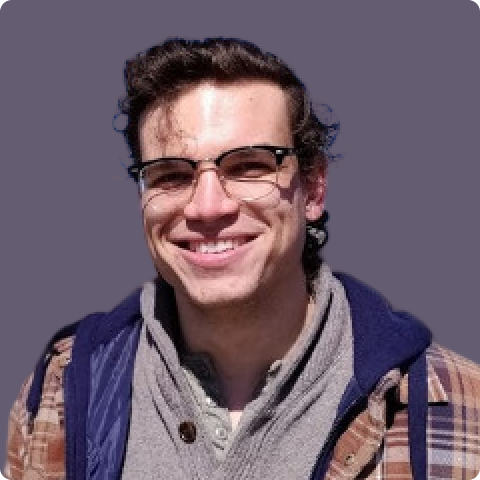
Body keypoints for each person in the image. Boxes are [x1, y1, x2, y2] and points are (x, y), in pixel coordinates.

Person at [4, 37, 480, 480]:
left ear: (313, 188)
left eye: (249, 166)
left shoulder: (458, 407)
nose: (207, 208)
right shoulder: (60, 393)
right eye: (171, 174)